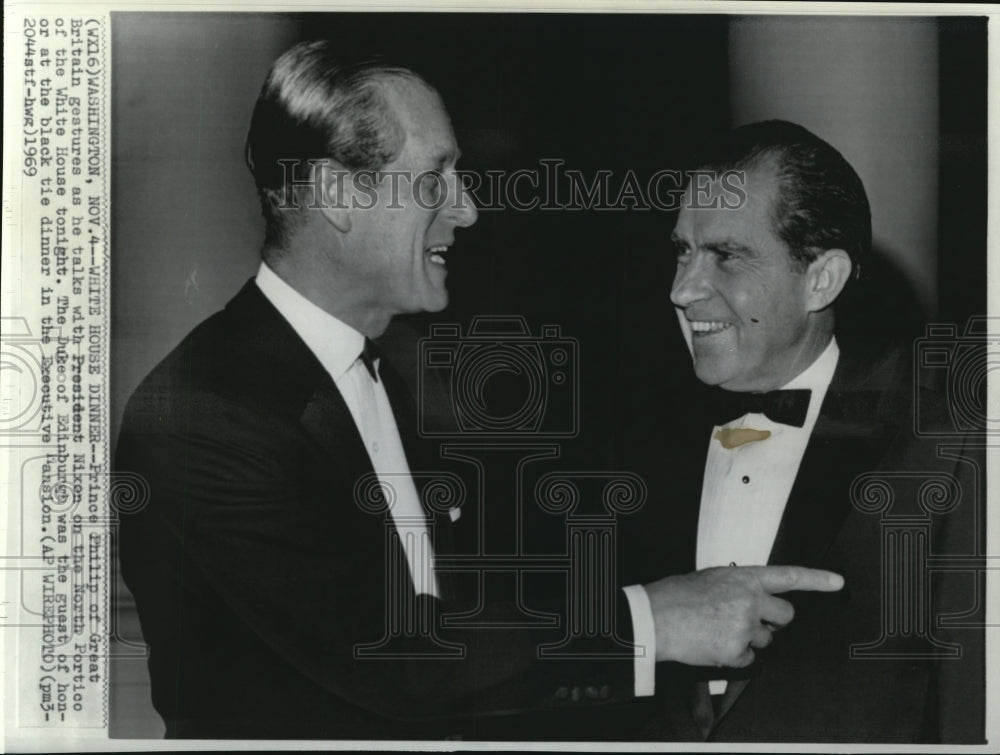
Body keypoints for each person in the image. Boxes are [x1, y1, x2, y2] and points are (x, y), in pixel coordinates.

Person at [115, 44, 844, 740]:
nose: (467, 209)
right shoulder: (204, 412)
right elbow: (391, 655)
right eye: (436, 179)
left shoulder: (367, 381)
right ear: (338, 193)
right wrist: (654, 619)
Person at [615, 120, 985, 743]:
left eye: (725, 256)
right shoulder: (634, 436)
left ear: (822, 279)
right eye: (682, 250)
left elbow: (970, 716)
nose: (682, 289)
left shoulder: (945, 450)